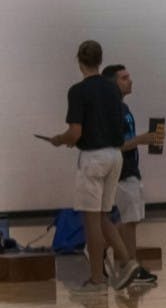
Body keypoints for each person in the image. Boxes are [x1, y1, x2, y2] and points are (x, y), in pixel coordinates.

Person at [48, 40, 141, 293]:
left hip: (93, 158)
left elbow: (75, 132)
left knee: (91, 221)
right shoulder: (113, 90)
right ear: (100, 60)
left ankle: (98, 278)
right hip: (115, 156)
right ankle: (127, 260)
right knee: (102, 217)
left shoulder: (77, 91)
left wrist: (60, 140)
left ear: (80, 62)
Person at [101, 64, 159, 284]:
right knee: (130, 219)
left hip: (131, 169)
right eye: (124, 78)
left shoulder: (123, 108)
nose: (130, 81)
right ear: (112, 83)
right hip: (122, 171)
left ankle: (102, 248)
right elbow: (116, 144)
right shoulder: (112, 109)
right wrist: (141, 140)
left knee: (132, 219)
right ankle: (129, 265)